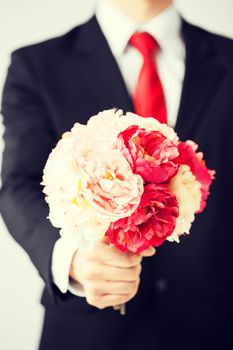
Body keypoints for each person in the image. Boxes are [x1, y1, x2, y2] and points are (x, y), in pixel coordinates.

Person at [1, 0, 233, 349]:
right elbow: (19, 184)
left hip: (214, 324)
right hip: (89, 332)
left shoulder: (228, 59)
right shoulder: (38, 65)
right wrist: (72, 259)